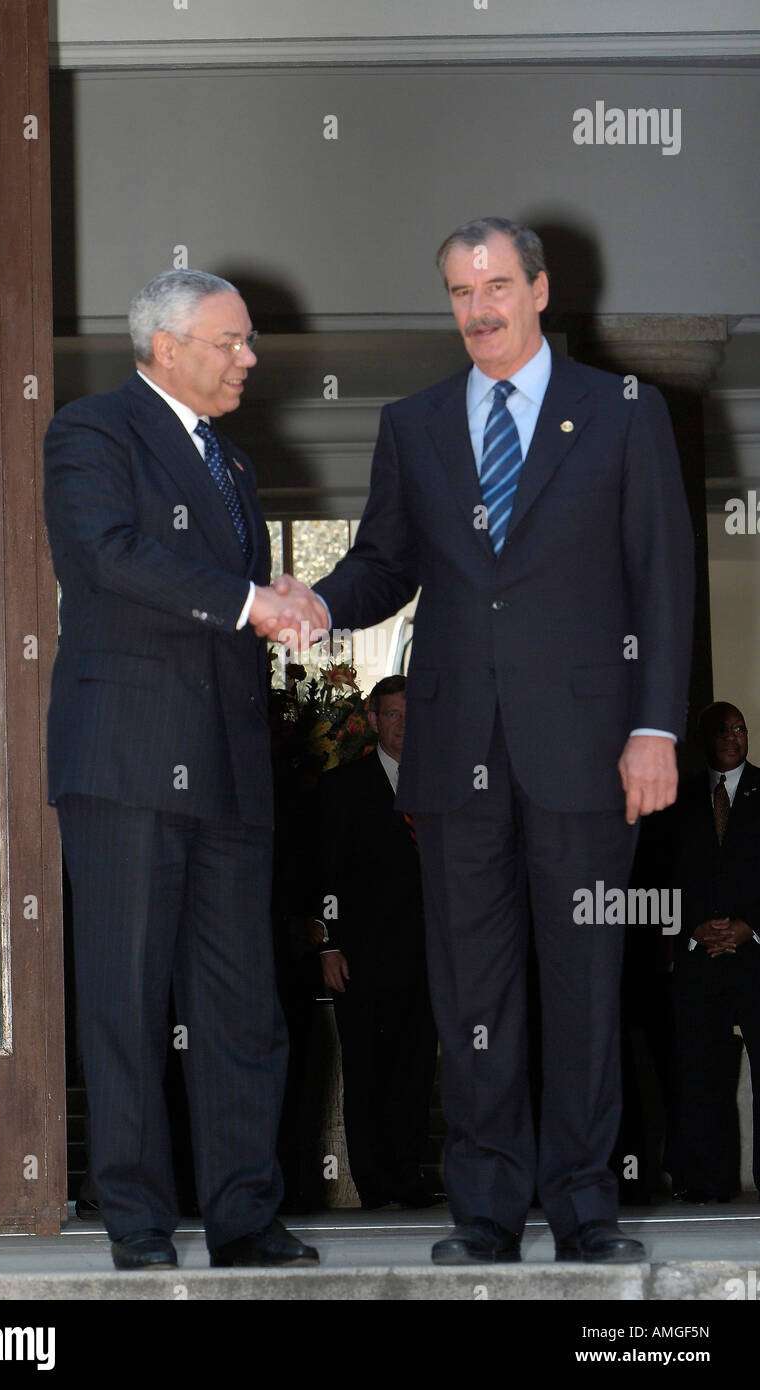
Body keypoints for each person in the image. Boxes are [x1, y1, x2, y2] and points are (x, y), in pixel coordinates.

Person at [269, 217, 695, 1263]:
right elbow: (383, 562)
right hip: (455, 756)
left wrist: (653, 727)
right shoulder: (413, 423)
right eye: (460, 291)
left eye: (497, 284)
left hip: (591, 749)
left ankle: (587, 1206)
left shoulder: (623, 412)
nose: (479, 308)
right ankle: (486, 1212)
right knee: (472, 991)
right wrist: (318, 604)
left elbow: (662, 576)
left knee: (586, 980)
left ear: (541, 290)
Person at [43, 268, 327, 1270]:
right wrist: (250, 600)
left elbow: (224, 596)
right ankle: (138, 1225)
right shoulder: (92, 430)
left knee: (243, 1003)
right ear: (166, 345)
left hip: (230, 773)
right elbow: (110, 555)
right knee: (126, 1000)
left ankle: (246, 1217)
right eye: (231, 340)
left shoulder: (235, 467)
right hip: (124, 760)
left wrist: (274, 598)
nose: (249, 357)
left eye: (248, 342)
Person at [317, 675, 439, 1209]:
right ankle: (374, 1183)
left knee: (416, 1070)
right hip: (362, 958)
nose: (405, 725)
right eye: (393, 714)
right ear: (372, 719)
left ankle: (407, 1178)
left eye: (412, 714)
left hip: (429, 957)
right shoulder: (344, 787)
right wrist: (328, 945)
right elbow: (323, 871)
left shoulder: (444, 785)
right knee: (368, 1071)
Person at [671, 702, 760, 1202]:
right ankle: (710, 1181)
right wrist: (693, 928)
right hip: (698, 957)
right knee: (701, 1074)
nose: (732, 736)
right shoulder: (677, 799)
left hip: (757, 955)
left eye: (740, 729)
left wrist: (752, 926)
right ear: (702, 738)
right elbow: (661, 877)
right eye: (722, 730)